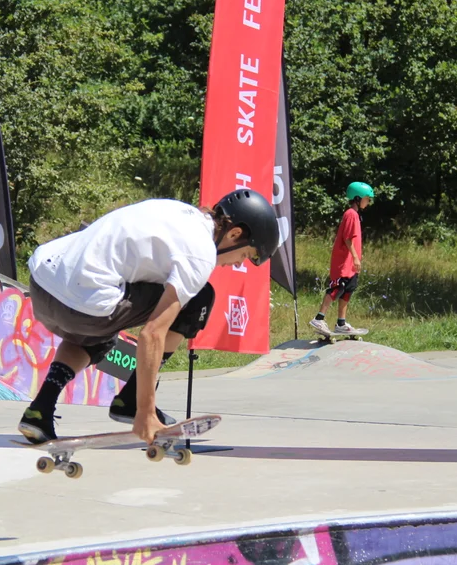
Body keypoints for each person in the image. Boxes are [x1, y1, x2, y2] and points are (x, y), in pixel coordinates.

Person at [18, 190, 283, 444]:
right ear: (235, 233)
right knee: (199, 298)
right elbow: (153, 333)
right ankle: (134, 402)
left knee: (97, 329)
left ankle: (39, 410)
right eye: (245, 255)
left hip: (41, 286)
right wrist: (147, 413)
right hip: (82, 306)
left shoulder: (177, 211)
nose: (237, 264)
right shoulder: (200, 253)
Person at [310, 182, 374, 337]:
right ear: (357, 198)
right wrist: (355, 257)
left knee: (348, 289)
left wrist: (357, 257)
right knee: (337, 288)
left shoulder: (356, 215)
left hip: (351, 263)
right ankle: (319, 318)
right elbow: (347, 239)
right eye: (367, 198)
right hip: (344, 261)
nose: (368, 202)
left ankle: (341, 323)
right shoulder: (351, 214)